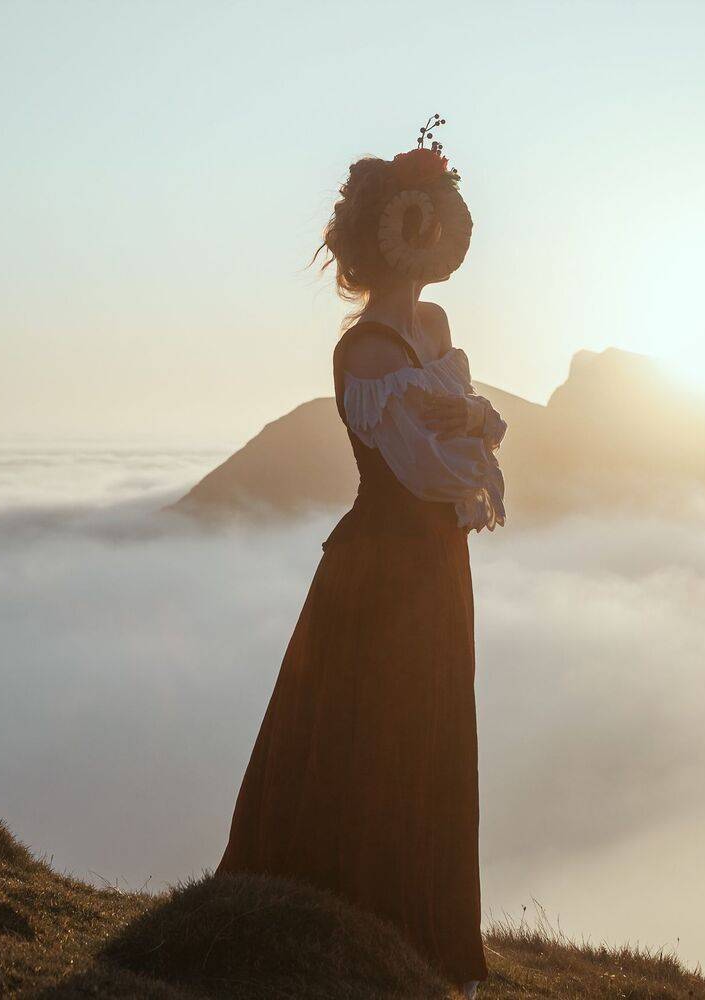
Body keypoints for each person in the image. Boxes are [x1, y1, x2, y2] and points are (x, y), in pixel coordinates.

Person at [217, 117, 505, 998]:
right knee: (369, 736)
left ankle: (416, 936)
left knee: (428, 733)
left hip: (433, 566)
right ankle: (347, 924)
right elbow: (432, 471)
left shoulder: (435, 325)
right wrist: (475, 430)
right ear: (382, 238)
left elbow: (466, 444)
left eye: (433, 224)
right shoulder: (368, 352)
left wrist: (477, 423)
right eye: (412, 226)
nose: (426, 244)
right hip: (382, 570)